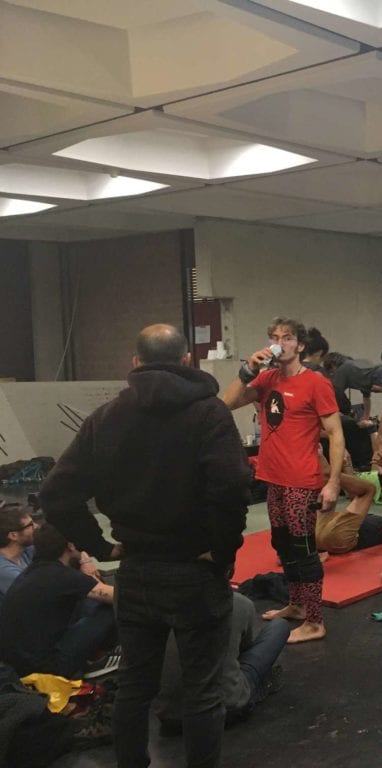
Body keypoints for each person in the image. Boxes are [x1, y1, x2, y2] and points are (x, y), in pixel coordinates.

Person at [40, 323, 251, 768]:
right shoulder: (209, 414)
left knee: (135, 686)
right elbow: (232, 487)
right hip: (196, 569)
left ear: (135, 362)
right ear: (187, 360)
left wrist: (99, 545)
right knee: (202, 690)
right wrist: (222, 549)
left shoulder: (106, 418)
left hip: (136, 569)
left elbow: (56, 493)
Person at [224, 317, 345, 645]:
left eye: (287, 337)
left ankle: (315, 621)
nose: (280, 343)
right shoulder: (267, 378)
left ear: (300, 345)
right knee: (282, 544)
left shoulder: (316, 383)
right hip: (272, 477)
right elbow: (226, 404)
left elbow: (335, 434)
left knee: (303, 549)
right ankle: (296, 605)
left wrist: (333, 483)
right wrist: (247, 370)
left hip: (301, 480)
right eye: (275, 337)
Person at [156, 591, 289, 731]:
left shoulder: (161, 606)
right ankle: (253, 688)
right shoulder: (238, 602)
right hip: (224, 708)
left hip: (168, 714)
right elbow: (244, 650)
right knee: (280, 626)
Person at [0, 523, 116, 678]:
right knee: (110, 608)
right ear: (71, 546)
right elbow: (117, 596)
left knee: (87, 601)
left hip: (21, 665)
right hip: (49, 668)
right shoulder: (63, 577)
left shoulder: (35, 570)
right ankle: (98, 660)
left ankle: (95, 654)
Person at [316, 447, 382, 556]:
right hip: (320, 536)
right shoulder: (373, 518)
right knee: (332, 489)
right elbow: (354, 496)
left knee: (370, 489)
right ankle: (319, 455)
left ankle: (331, 473)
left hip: (341, 540)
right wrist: (347, 464)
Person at [0, 503, 37, 608]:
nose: (36, 526)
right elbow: (36, 595)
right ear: (13, 535)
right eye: (30, 525)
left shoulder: (25, 550)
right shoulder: (4, 570)